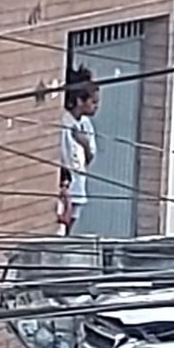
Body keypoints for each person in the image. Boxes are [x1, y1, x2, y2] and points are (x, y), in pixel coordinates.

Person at [59, 66, 99, 234]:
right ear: (80, 101)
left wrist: (84, 143)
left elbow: (90, 157)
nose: (96, 106)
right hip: (66, 186)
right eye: (93, 102)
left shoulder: (86, 125)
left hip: (79, 187)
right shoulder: (64, 122)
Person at [56, 168, 73, 236]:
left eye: (66, 187)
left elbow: (66, 219)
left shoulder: (65, 199)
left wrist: (68, 201)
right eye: (61, 186)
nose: (64, 190)